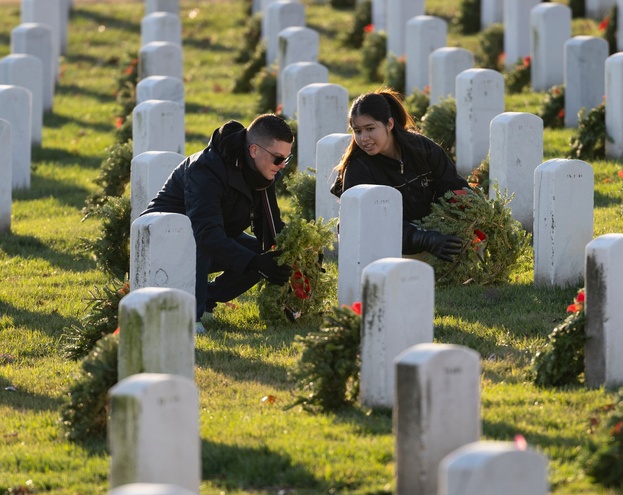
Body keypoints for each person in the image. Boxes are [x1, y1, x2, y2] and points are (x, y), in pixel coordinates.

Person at [142, 113, 295, 331]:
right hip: (165, 243)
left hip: (211, 236)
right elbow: (205, 233)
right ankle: (189, 313)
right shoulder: (205, 169)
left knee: (261, 253)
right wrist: (254, 263)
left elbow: (270, 226)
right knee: (211, 244)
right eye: (278, 159)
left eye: (286, 159)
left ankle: (207, 299)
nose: (282, 166)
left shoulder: (263, 172)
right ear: (254, 150)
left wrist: (295, 249)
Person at [333, 89, 465, 261]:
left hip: (432, 236)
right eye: (357, 131)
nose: (363, 138)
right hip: (386, 251)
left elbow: (454, 188)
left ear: (389, 124)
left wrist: (469, 219)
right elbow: (373, 225)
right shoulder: (358, 169)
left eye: (370, 128)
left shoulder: (423, 149)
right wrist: (423, 238)